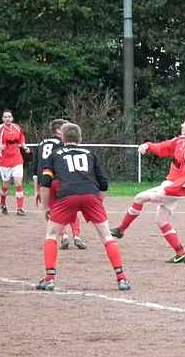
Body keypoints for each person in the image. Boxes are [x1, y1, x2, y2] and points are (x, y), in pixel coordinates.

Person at [36, 122, 130, 291]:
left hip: (67, 195)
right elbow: (104, 182)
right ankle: (121, 278)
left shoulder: (55, 154)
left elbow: (45, 182)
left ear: (62, 138)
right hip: (90, 194)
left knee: (51, 235)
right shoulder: (90, 154)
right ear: (80, 139)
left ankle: (49, 279)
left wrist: (45, 207)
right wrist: (98, 202)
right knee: (107, 236)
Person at [111, 113, 185, 264]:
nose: (182, 125)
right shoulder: (181, 141)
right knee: (161, 221)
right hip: (171, 186)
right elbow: (163, 147)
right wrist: (148, 146)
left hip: (174, 189)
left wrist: (168, 191)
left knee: (139, 198)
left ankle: (120, 230)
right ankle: (181, 254)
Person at [33, 118, 86, 250]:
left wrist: (36, 188)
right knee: (71, 208)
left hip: (44, 182)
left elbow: (35, 168)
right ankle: (77, 236)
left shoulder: (41, 144)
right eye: (65, 128)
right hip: (61, 180)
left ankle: (64, 236)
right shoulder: (63, 144)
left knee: (53, 210)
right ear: (58, 130)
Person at [0, 109, 31, 216]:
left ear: (12, 118)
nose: (7, 118)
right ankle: (2, 203)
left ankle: (20, 208)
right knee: (5, 185)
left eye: (9, 116)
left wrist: (25, 147)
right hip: (5, 161)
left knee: (18, 184)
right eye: (5, 117)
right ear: (2, 119)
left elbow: (21, 139)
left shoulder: (17, 128)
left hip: (17, 159)